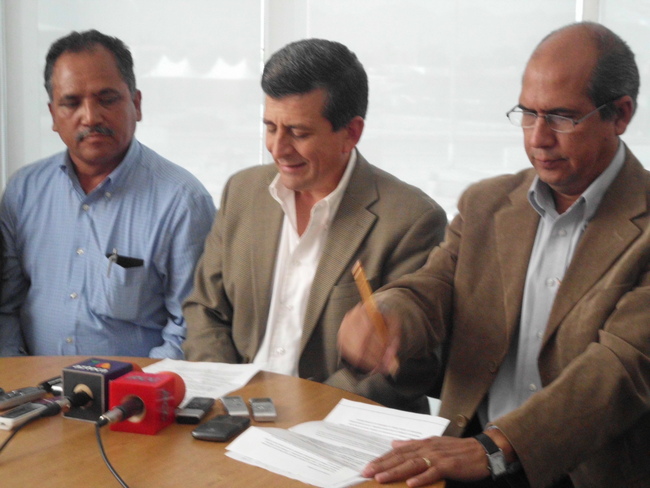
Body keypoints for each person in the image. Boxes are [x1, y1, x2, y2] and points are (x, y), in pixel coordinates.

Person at [338, 22, 649, 488]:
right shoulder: (486, 204)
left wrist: (495, 448)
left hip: (582, 472)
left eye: (561, 117)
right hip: (467, 452)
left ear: (620, 114)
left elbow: (620, 370)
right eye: (528, 113)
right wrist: (388, 312)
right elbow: (434, 287)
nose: (538, 138)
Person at [182, 38, 447, 411]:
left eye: (299, 133)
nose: (278, 148)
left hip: (336, 422)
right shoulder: (242, 191)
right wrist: (230, 397)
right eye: (270, 127)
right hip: (232, 412)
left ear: (351, 133)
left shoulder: (411, 219)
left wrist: (292, 411)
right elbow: (206, 310)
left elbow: (411, 369)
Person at [0, 30, 215, 358]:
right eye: (72, 103)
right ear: (54, 115)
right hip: (32, 386)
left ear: (136, 104)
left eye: (107, 99)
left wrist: (138, 386)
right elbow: (7, 306)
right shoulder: (23, 191)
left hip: (135, 388)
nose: (90, 117)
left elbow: (190, 330)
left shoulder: (182, 201)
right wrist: (16, 377)